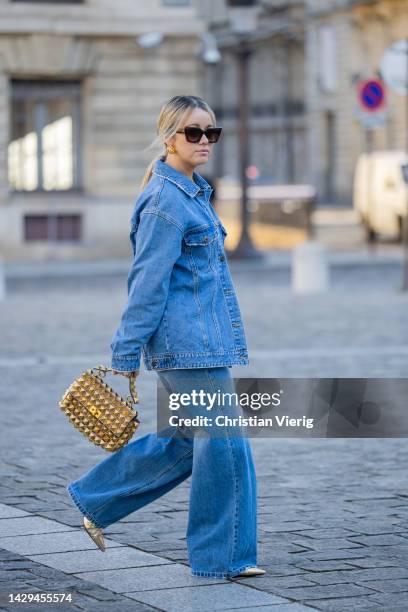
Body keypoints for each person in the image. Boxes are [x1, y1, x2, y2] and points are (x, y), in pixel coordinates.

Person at [66, 94, 264, 580]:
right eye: (193, 132)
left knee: (183, 441)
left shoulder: (193, 192)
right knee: (224, 443)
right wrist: (125, 351)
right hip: (185, 346)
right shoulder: (164, 201)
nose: (203, 141)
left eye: (210, 133)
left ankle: (94, 499)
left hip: (203, 340)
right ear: (169, 137)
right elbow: (146, 282)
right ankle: (223, 558)